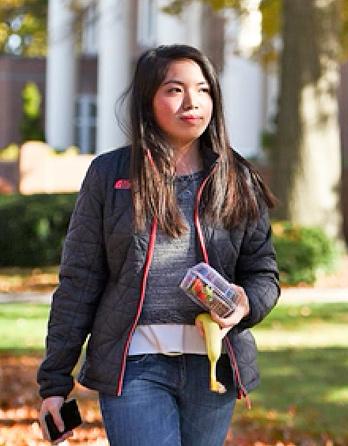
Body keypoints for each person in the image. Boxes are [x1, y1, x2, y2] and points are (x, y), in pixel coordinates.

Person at [36, 44, 280, 445]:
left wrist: (244, 301)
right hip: (133, 366)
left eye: (203, 90)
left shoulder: (238, 177)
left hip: (212, 369)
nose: (193, 102)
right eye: (174, 90)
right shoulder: (109, 174)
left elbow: (263, 273)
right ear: (148, 100)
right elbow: (79, 280)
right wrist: (54, 381)